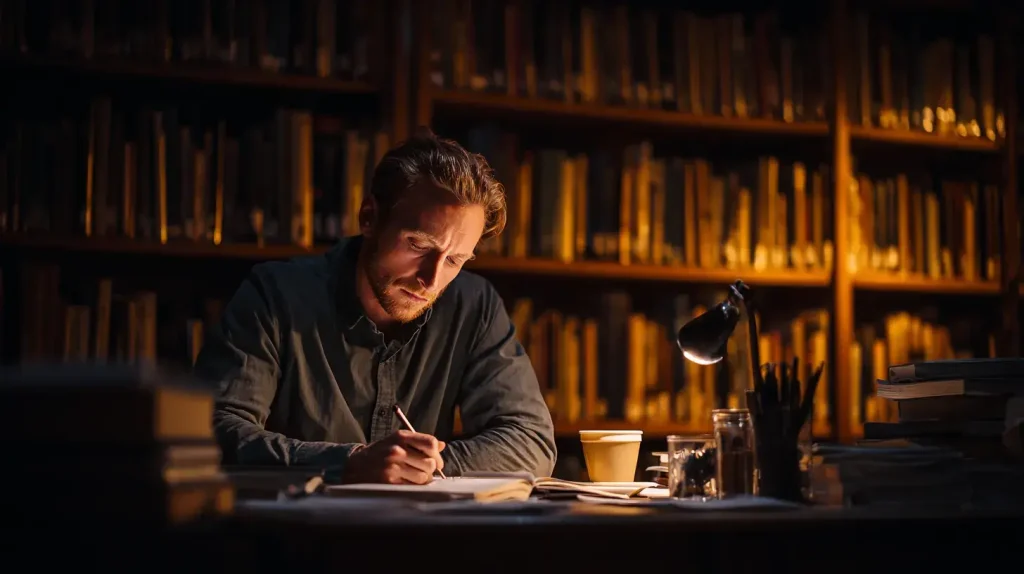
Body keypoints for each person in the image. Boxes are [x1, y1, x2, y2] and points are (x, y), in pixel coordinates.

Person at [193, 129, 557, 485]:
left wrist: (423, 465)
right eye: (418, 245)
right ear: (369, 217)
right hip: (298, 537)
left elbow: (532, 441)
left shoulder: (474, 306)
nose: (431, 280)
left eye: (454, 260)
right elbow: (213, 429)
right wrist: (347, 463)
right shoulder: (276, 294)